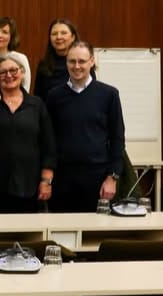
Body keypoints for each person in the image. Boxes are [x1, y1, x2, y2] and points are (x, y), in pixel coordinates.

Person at [45, 41, 125, 213]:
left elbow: (117, 138)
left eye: (81, 61)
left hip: (97, 179)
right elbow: (48, 140)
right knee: (61, 228)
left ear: (92, 61)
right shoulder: (54, 96)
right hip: (62, 180)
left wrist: (112, 178)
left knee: (95, 228)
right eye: (72, 61)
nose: (76, 66)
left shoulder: (109, 94)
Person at [0, 54, 56, 214]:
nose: (9, 75)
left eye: (13, 70)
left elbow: (48, 145)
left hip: (28, 185)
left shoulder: (37, 105)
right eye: (3, 72)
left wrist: (46, 181)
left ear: (22, 72)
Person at [34, 18, 83, 99]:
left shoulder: (83, 62)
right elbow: (38, 97)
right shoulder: (44, 64)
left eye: (63, 33)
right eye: (54, 34)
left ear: (73, 37)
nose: (58, 37)